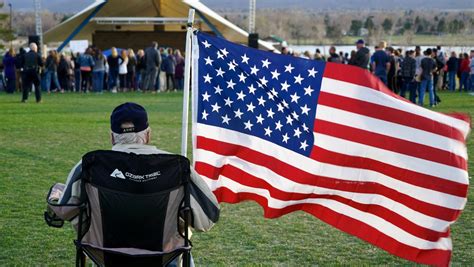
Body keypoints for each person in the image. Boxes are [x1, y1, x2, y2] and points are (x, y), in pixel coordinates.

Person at [51, 102, 219, 266]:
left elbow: (64, 211)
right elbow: (208, 218)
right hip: (165, 259)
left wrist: (58, 194)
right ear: (148, 135)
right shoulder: (176, 168)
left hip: (108, 258)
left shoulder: (89, 166)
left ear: (112, 137)